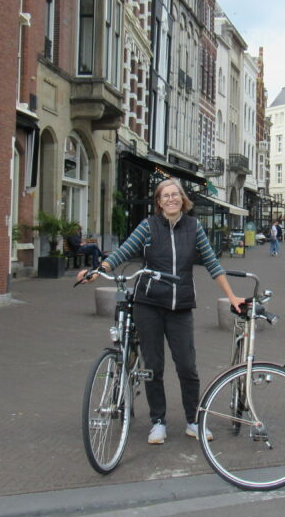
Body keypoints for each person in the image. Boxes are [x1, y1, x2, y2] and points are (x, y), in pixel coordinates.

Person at [77, 178, 242, 445]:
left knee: (187, 366)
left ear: (183, 199)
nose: (171, 199)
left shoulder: (194, 227)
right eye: (165, 196)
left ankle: (193, 420)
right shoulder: (149, 226)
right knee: (153, 366)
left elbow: (212, 263)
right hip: (149, 305)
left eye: (175, 194)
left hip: (181, 306)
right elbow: (124, 251)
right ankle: (158, 422)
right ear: (158, 201)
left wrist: (232, 296)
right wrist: (99, 270)